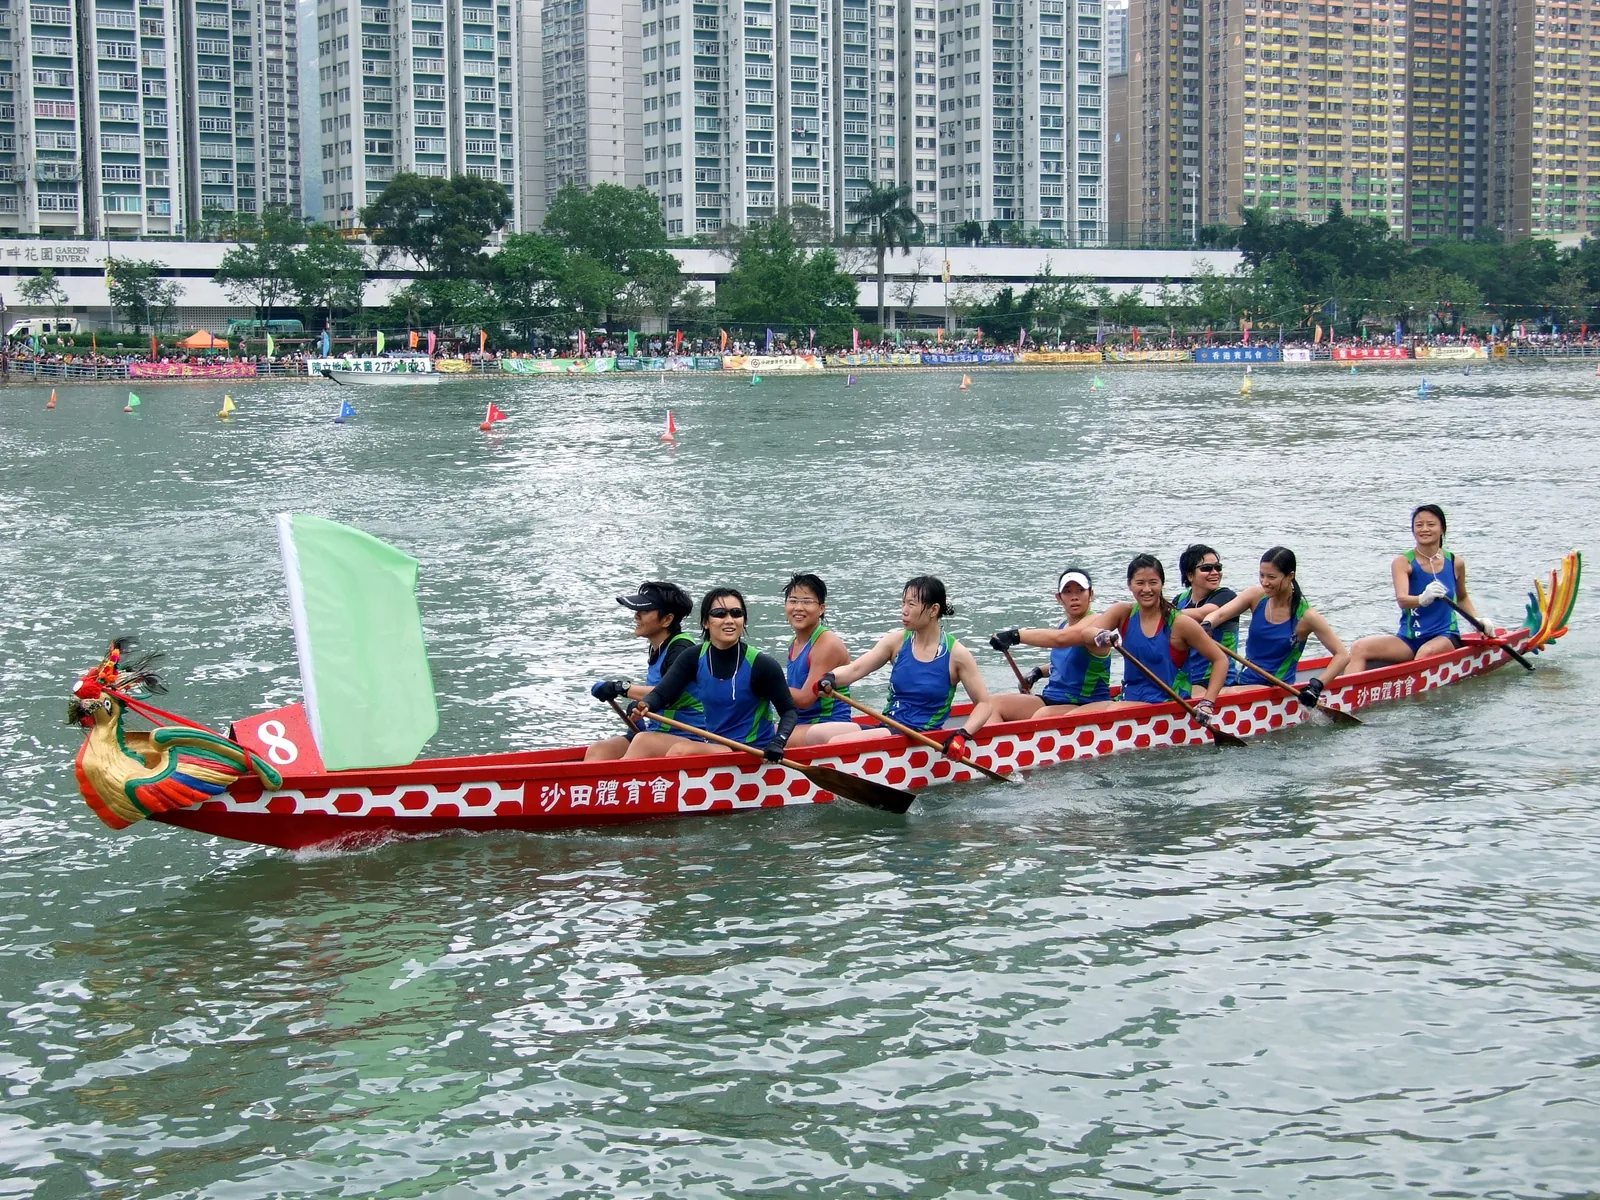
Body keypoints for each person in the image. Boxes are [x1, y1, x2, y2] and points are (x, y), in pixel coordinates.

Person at [814, 576, 995, 760]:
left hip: (919, 736)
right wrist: (830, 678)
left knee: (836, 744)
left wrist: (962, 735)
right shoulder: (898, 642)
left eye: (911, 604)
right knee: (816, 734)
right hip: (889, 726)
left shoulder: (956, 654)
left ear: (934, 610)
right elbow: (855, 670)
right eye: (903, 603)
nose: (904, 611)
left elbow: (985, 704)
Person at [623, 587, 797, 759]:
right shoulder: (693, 658)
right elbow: (662, 694)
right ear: (706, 622)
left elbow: (789, 711)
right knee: (643, 740)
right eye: (720, 613)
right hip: (717, 746)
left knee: (681, 750)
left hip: (751, 751)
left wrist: (778, 742)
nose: (729, 620)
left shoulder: (762, 664)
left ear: (743, 621)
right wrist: (646, 704)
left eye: (736, 613)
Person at [1345, 504, 1492, 673]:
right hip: (1408, 638)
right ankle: (1347, 694)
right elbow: (1402, 600)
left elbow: (1463, 597)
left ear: (1442, 529)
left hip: (1445, 635)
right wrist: (1423, 598)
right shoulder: (1403, 562)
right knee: (1359, 647)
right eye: (1419, 525)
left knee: (1425, 653)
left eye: (1431, 524)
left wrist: (1478, 621)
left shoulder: (1455, 563)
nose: (1424, 529)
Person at [1199, 547, 1351, 706]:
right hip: (1244, 680)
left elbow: (1342, 655)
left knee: (1215, 695)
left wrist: (1316, 686)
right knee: (1196, 691)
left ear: (1290, 576)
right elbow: (1220, 614)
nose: (1265, 582)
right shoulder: (1255, 596)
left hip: (1276, 689)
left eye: (1271, 577)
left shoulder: (1307, 616)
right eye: (1261, 575)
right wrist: (1207, 625)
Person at [1090, 555, 1230, 725]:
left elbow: (1220, 659)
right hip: (1128, 698)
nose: (1147, 589)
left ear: (1162, 584)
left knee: (1107, 710)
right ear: (1129, 585)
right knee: (1081, 710)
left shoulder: (1180, 623)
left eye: (1153, 582)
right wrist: (1098, 635)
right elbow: (1088, 633)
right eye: (1140, 583)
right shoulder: (1123, 614)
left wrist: (1208, 703)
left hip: (1168, 704)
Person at [584, 581, 697, 761]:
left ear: (667, 619)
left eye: (645, 611)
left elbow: (667, 693)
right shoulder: (657, 647)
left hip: (693, 736)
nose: (637, 616)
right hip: (658, 732)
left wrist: (620, 688)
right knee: (598, 751)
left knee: (642, 743)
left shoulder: (682, 649)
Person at [987, 568, 1118, 720]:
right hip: (1053, 699)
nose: (1074, 597)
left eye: (1080, 590)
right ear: (1059, 598)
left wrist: (1014, 636)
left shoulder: (1097, 623)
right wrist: (1036, 673)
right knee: (991, 704)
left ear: (1091, 595)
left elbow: (1060, 639)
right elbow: (1065, 662)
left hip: (1085, 703)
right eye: (1068, 592)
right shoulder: (1062, 625)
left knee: (1043, 716)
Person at [778, 573, 861, 748]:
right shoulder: (794, 643)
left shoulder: (826, 643)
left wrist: (766, 685)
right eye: (793, 601)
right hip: (803, 723)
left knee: (760, 737)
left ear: (822, 608)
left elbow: (806, 698)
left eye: (807, 602)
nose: (798, 608)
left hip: (828, 726)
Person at [1173, 543, 1239, 693]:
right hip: (1186, 677)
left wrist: (1160, 613)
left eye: (1218, 567)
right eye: (1207, 568)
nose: (1215, 572)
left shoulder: (1226, 596)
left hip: (1217, 678)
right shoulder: (1180, 600)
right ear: (1190, 575)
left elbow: (1202, 614)